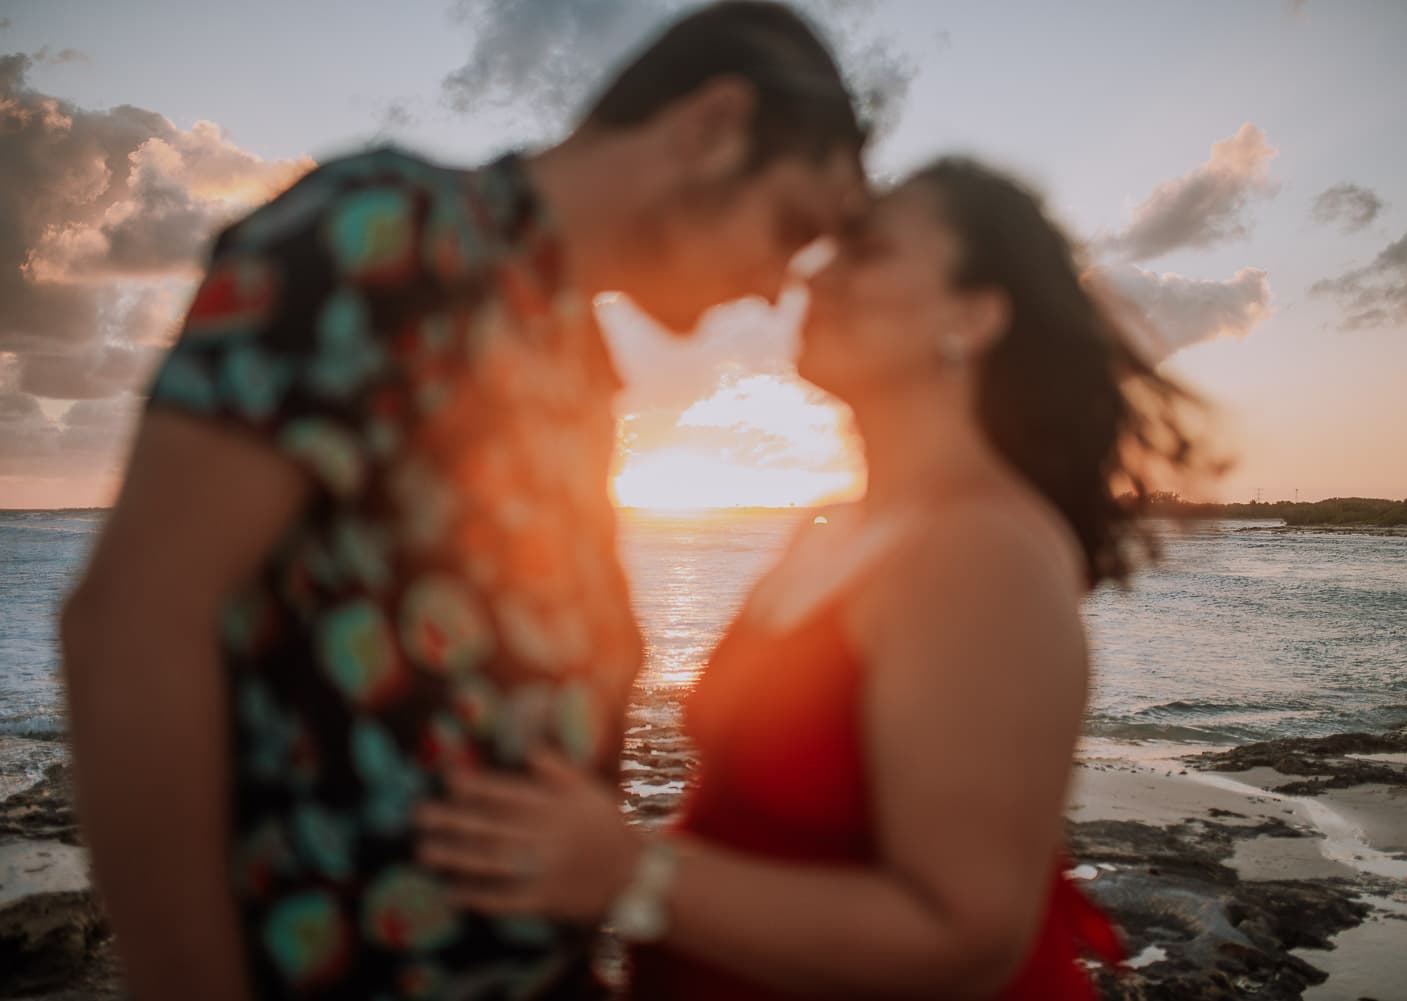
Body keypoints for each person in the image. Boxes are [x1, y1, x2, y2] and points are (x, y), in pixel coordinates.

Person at [58, 5, 867, 999]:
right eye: (792, 227)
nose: (777, 284)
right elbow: (131, 623)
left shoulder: (570, 347)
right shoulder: (381, 232)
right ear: (709, 127)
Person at [416, 159, 1216, 999]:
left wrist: (628, 871)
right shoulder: (832, 527)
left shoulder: (985, 553)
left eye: (864, 252)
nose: (815, 273)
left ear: (970, 315)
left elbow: (967, 937)